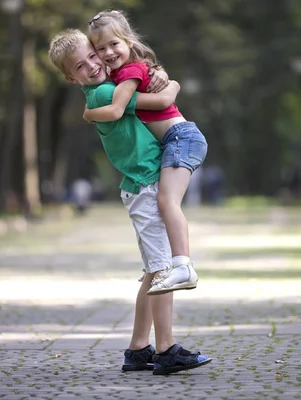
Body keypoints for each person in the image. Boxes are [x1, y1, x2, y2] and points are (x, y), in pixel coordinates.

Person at [48, 29, 211, 375]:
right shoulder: (107, 92)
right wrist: (172, 86)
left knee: (154, 271)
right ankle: (166, 350)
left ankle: (138, 349)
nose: (93, 65)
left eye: (93, 56)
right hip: (146, 183)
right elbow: (161, 100)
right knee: (164, 271)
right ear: (69, 76)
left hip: (141, 184)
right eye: (81, 65)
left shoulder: (100, 93)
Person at [84, 10, 208, 296]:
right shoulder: (124, 74)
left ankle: (182, 265)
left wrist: (89, 114)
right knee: (166, 203)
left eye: (113, 44)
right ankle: (173, 264)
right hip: (175, 140)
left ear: (128, 40)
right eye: (100, 49)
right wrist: (167, 78)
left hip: (181, 138)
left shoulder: (127, 74)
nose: (108, 52)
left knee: (166, 202)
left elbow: (117, 109)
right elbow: (160, 83)